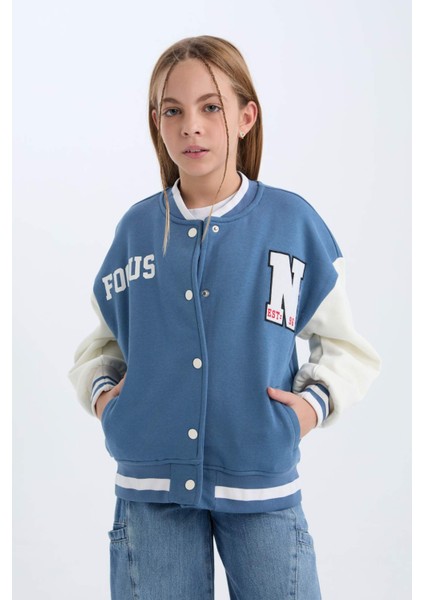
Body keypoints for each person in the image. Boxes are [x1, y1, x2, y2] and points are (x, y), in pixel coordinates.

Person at [68, 35, 381, 600]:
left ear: (245, 117)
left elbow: (346, 348)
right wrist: (107, 402)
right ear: (157, 124)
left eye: (210, 107)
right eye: (173, 111)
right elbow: (103, 345)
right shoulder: (138, 231)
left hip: (260, 483)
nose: (192, 126)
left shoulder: (290, 225)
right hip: (150, 487)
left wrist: (307, 410)